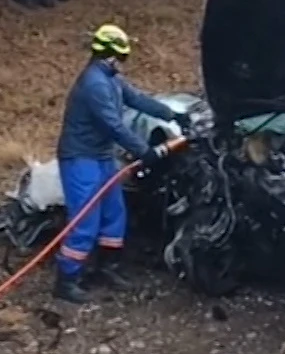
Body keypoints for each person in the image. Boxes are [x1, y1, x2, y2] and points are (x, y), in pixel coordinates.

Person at [53, 24, 186, 304]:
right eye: (121, 58)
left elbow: (136, 99)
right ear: (109, 55)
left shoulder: (111, 78)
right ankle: (67, 279)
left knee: (114, 212)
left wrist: (172, 114)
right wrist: (145, 151)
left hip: (101, 156)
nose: (122, 64)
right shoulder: (94, 84)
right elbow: (114, 126)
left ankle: (107, 267)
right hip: (80, 158)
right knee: (85, 220)